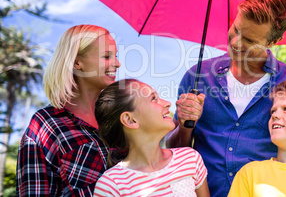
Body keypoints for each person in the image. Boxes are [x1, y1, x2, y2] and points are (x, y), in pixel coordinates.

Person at [166, 0, 286, 197]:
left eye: (249, 40)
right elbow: (174, 150)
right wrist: (186, 125)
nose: (234, 43)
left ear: (273, 42)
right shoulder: (197, 76)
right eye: (235, 29)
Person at [16, 25, 121, 196]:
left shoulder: (120, 118)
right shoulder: (47, 124)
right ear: (77, 62)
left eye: (115, 56)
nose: (117, 63)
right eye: (106, 56)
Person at [93, 79, 210, 197]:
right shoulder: (111, 185)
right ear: (130, 120)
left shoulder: (190, 159)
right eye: (153, 99)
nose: (167, 103)